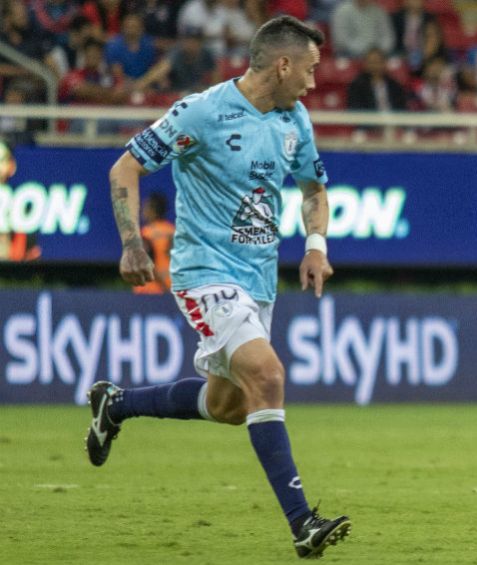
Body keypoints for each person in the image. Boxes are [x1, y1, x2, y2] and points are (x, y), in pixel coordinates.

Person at [87, 15, 351, 559]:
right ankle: (303, 524)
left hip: (258, 277)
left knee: (230, 405)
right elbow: (125, 168)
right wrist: (133, 242)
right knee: (268, 374)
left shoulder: (294, 119)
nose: (313, 82)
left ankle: (116, 405)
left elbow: (312, 188)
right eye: (309, 69)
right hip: (204, 271)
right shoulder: (202, 112)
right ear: (282, 64)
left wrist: (316, 245)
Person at [133, 192, 175, 294]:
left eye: (146, 207)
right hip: (172, 286)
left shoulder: (146, 233)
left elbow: (147, 264)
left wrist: (163, 286)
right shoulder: (172, 231)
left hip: (149, 289)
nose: (143, 210)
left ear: (153, 210)